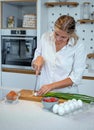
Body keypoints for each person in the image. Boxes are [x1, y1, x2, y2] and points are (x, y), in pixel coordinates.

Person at [32, 15, 86, 96]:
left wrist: (51, 86)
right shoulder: (45, 38)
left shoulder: (79, 46)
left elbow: (76, 78)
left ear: (71, 34)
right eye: (56, 34)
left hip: (66, 95)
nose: (58, 39)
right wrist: (37, 60)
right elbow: (35, 64)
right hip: (43, 93)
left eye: (63, 37)